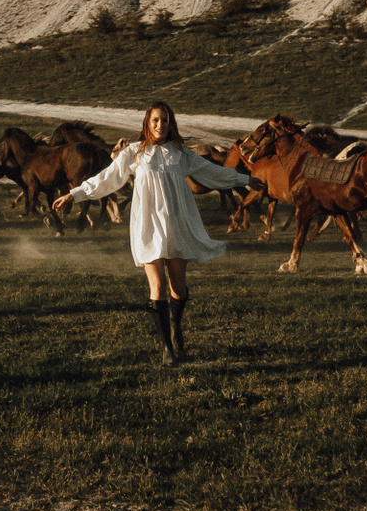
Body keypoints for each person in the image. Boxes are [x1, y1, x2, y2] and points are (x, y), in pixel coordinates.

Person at [54, 101, 254, 366]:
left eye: (165, 120)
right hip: (147, 225)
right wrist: (75, 194)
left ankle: (175, 325)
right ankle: (167, 348)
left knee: (178, 288)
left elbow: (211, 172)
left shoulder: (181, 153)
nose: (160, 125)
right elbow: (108, 178)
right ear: (148, 123)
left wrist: (246, 180)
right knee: (157, 286)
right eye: (156, 120)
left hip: (177, 224)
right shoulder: (134, 152)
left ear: (171, 124)